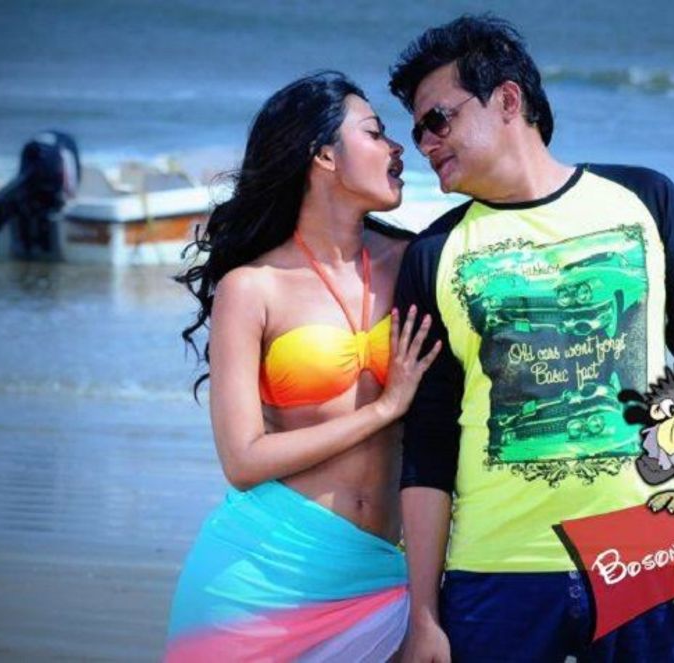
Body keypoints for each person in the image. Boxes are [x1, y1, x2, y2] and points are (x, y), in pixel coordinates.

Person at [389, 15, 674, 662]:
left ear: (508, 100)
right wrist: (422, 614)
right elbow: (429, 443)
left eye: (437, 120)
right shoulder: (434, 253)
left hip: (647, 555)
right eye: (417, 130)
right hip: (496, 572)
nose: (424, 143)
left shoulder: (646, 199)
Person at [165, 71, 441, 662]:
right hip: (260, 578)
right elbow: (243, 461)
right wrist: (386, 410)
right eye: (375, 133)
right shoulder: (251, 287)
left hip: (381, 574)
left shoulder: (416, 261)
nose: (398, 147)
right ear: (324, 156)